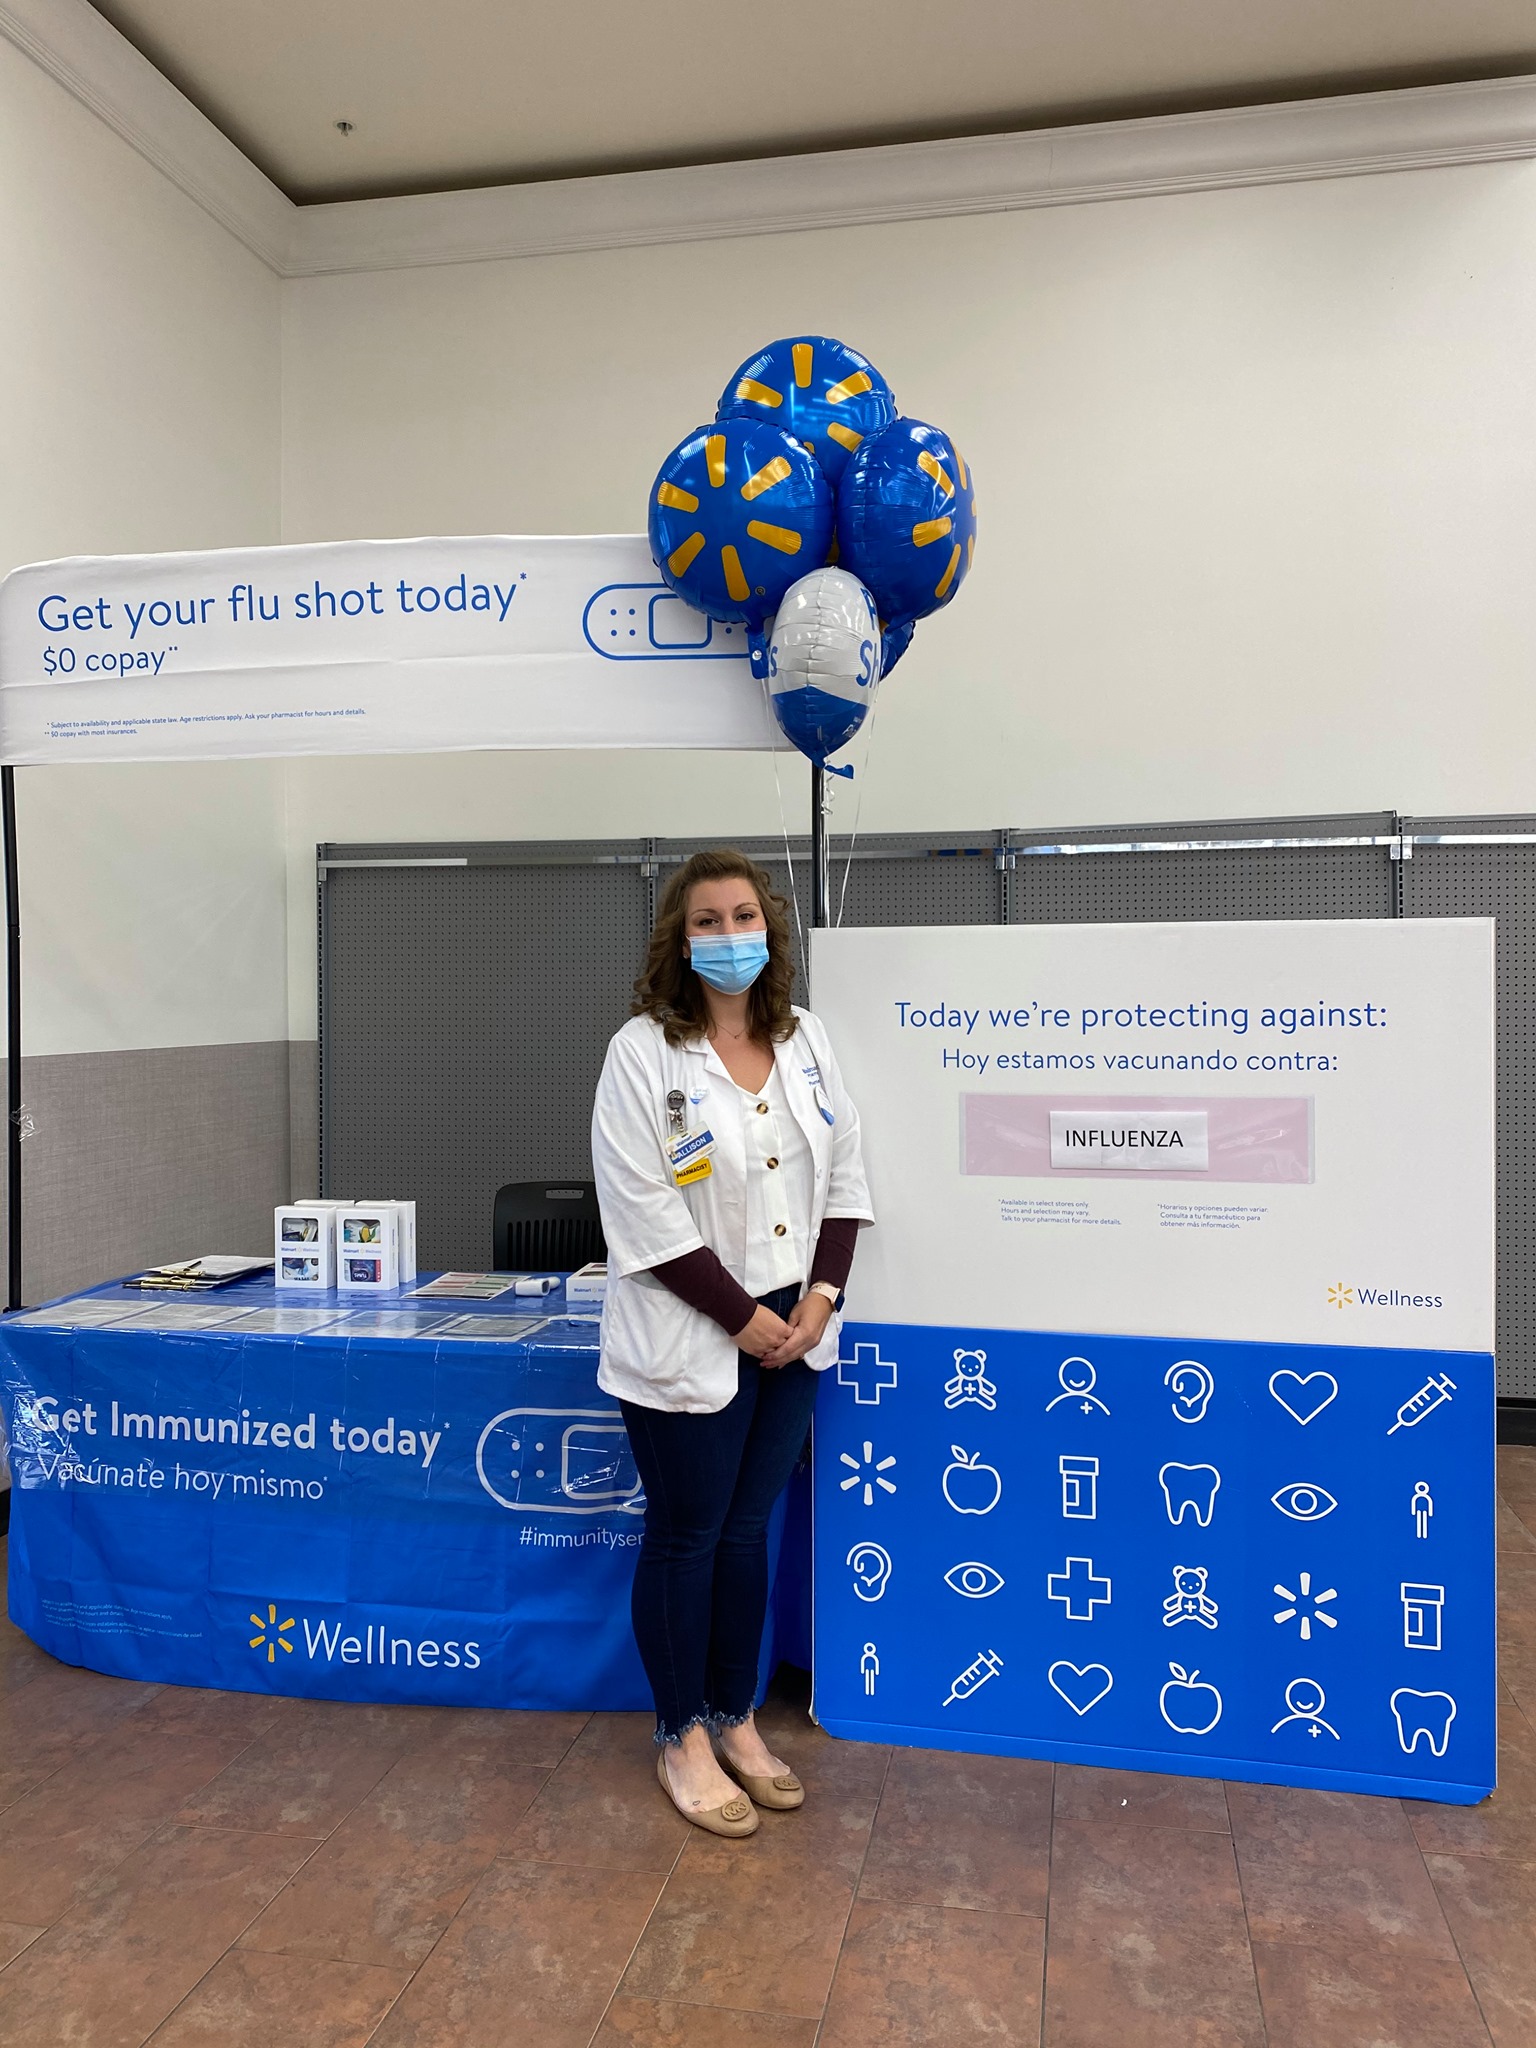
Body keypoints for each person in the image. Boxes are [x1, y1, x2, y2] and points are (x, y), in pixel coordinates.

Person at [591, 847, 872, 1838]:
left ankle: (734, 1715)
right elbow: (643, 1212)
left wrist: (821, 1299)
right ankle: (681, 1736)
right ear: (680, 940)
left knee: (748, 1530)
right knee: (688, 1534)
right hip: (695, 1329)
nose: (728, 935)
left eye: (743, 915)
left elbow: (845, 1174)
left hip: (797, 1329)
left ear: (769, 927)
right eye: (706, 920)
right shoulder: (642, 1053)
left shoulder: (805, 1037)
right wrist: (744, 1316)